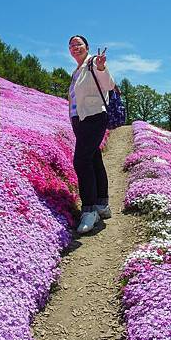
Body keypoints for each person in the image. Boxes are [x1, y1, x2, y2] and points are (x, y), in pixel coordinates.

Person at [68, 35, 115, 234]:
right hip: (80, 120)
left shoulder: (94, 63)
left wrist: (102, 67)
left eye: (78, 44)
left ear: (87, 47)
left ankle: (89, 210)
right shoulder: (77, 70)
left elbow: (109, 84)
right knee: (94, 158)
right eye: (71, 45)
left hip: (94, 117)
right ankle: (102, 205)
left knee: (81, 161)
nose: (74, 47)